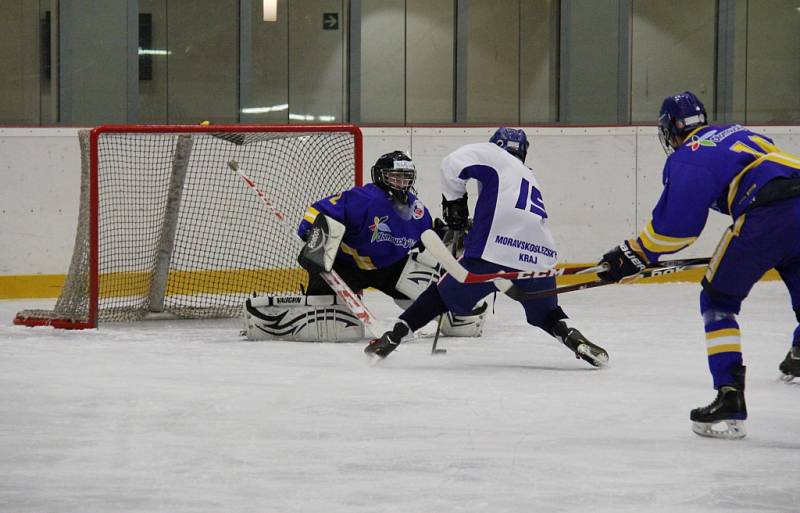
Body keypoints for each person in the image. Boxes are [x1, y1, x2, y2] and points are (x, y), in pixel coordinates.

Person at [597, 90, 800, 439]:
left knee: (718, 301)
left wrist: (635, 253)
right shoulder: (739, 132)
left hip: (768, 214)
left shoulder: (690, 154)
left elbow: (677, 228)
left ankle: (729, 396)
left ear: (669, 129)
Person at [363, 128, 609, 367]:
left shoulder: (494, 154)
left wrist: (455, 207)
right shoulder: (527, 174)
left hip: (495, 249)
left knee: (439, 296)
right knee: (546, 314)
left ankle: (393, 337)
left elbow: (452, 163)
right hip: (540, 256)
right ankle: (571, 336)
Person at [243, 150, 487, 342]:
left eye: (406, 177)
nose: (401, 182)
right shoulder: (363, 199)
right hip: (345, 266)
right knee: (334, 323)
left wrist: (451, 243)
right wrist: (313, 236)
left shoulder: (417, 209)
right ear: (381, 176)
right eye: (395, 176)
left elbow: (427, 240)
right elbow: (317, 211)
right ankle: (276, 317)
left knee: (425, 285)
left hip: (391, 269)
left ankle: (455, 307)